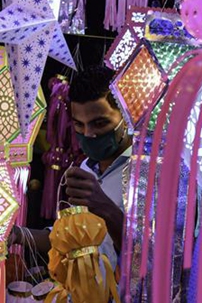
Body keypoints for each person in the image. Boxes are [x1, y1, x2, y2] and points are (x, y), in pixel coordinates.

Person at [10, 65, 131, 267]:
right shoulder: (86, 167)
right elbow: (68, 240)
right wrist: (17, 235)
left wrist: (105, 208)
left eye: (100, 124)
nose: (89, 133)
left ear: (126, 118)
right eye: (79, 125)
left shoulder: (148, 172)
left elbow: (152, 256)